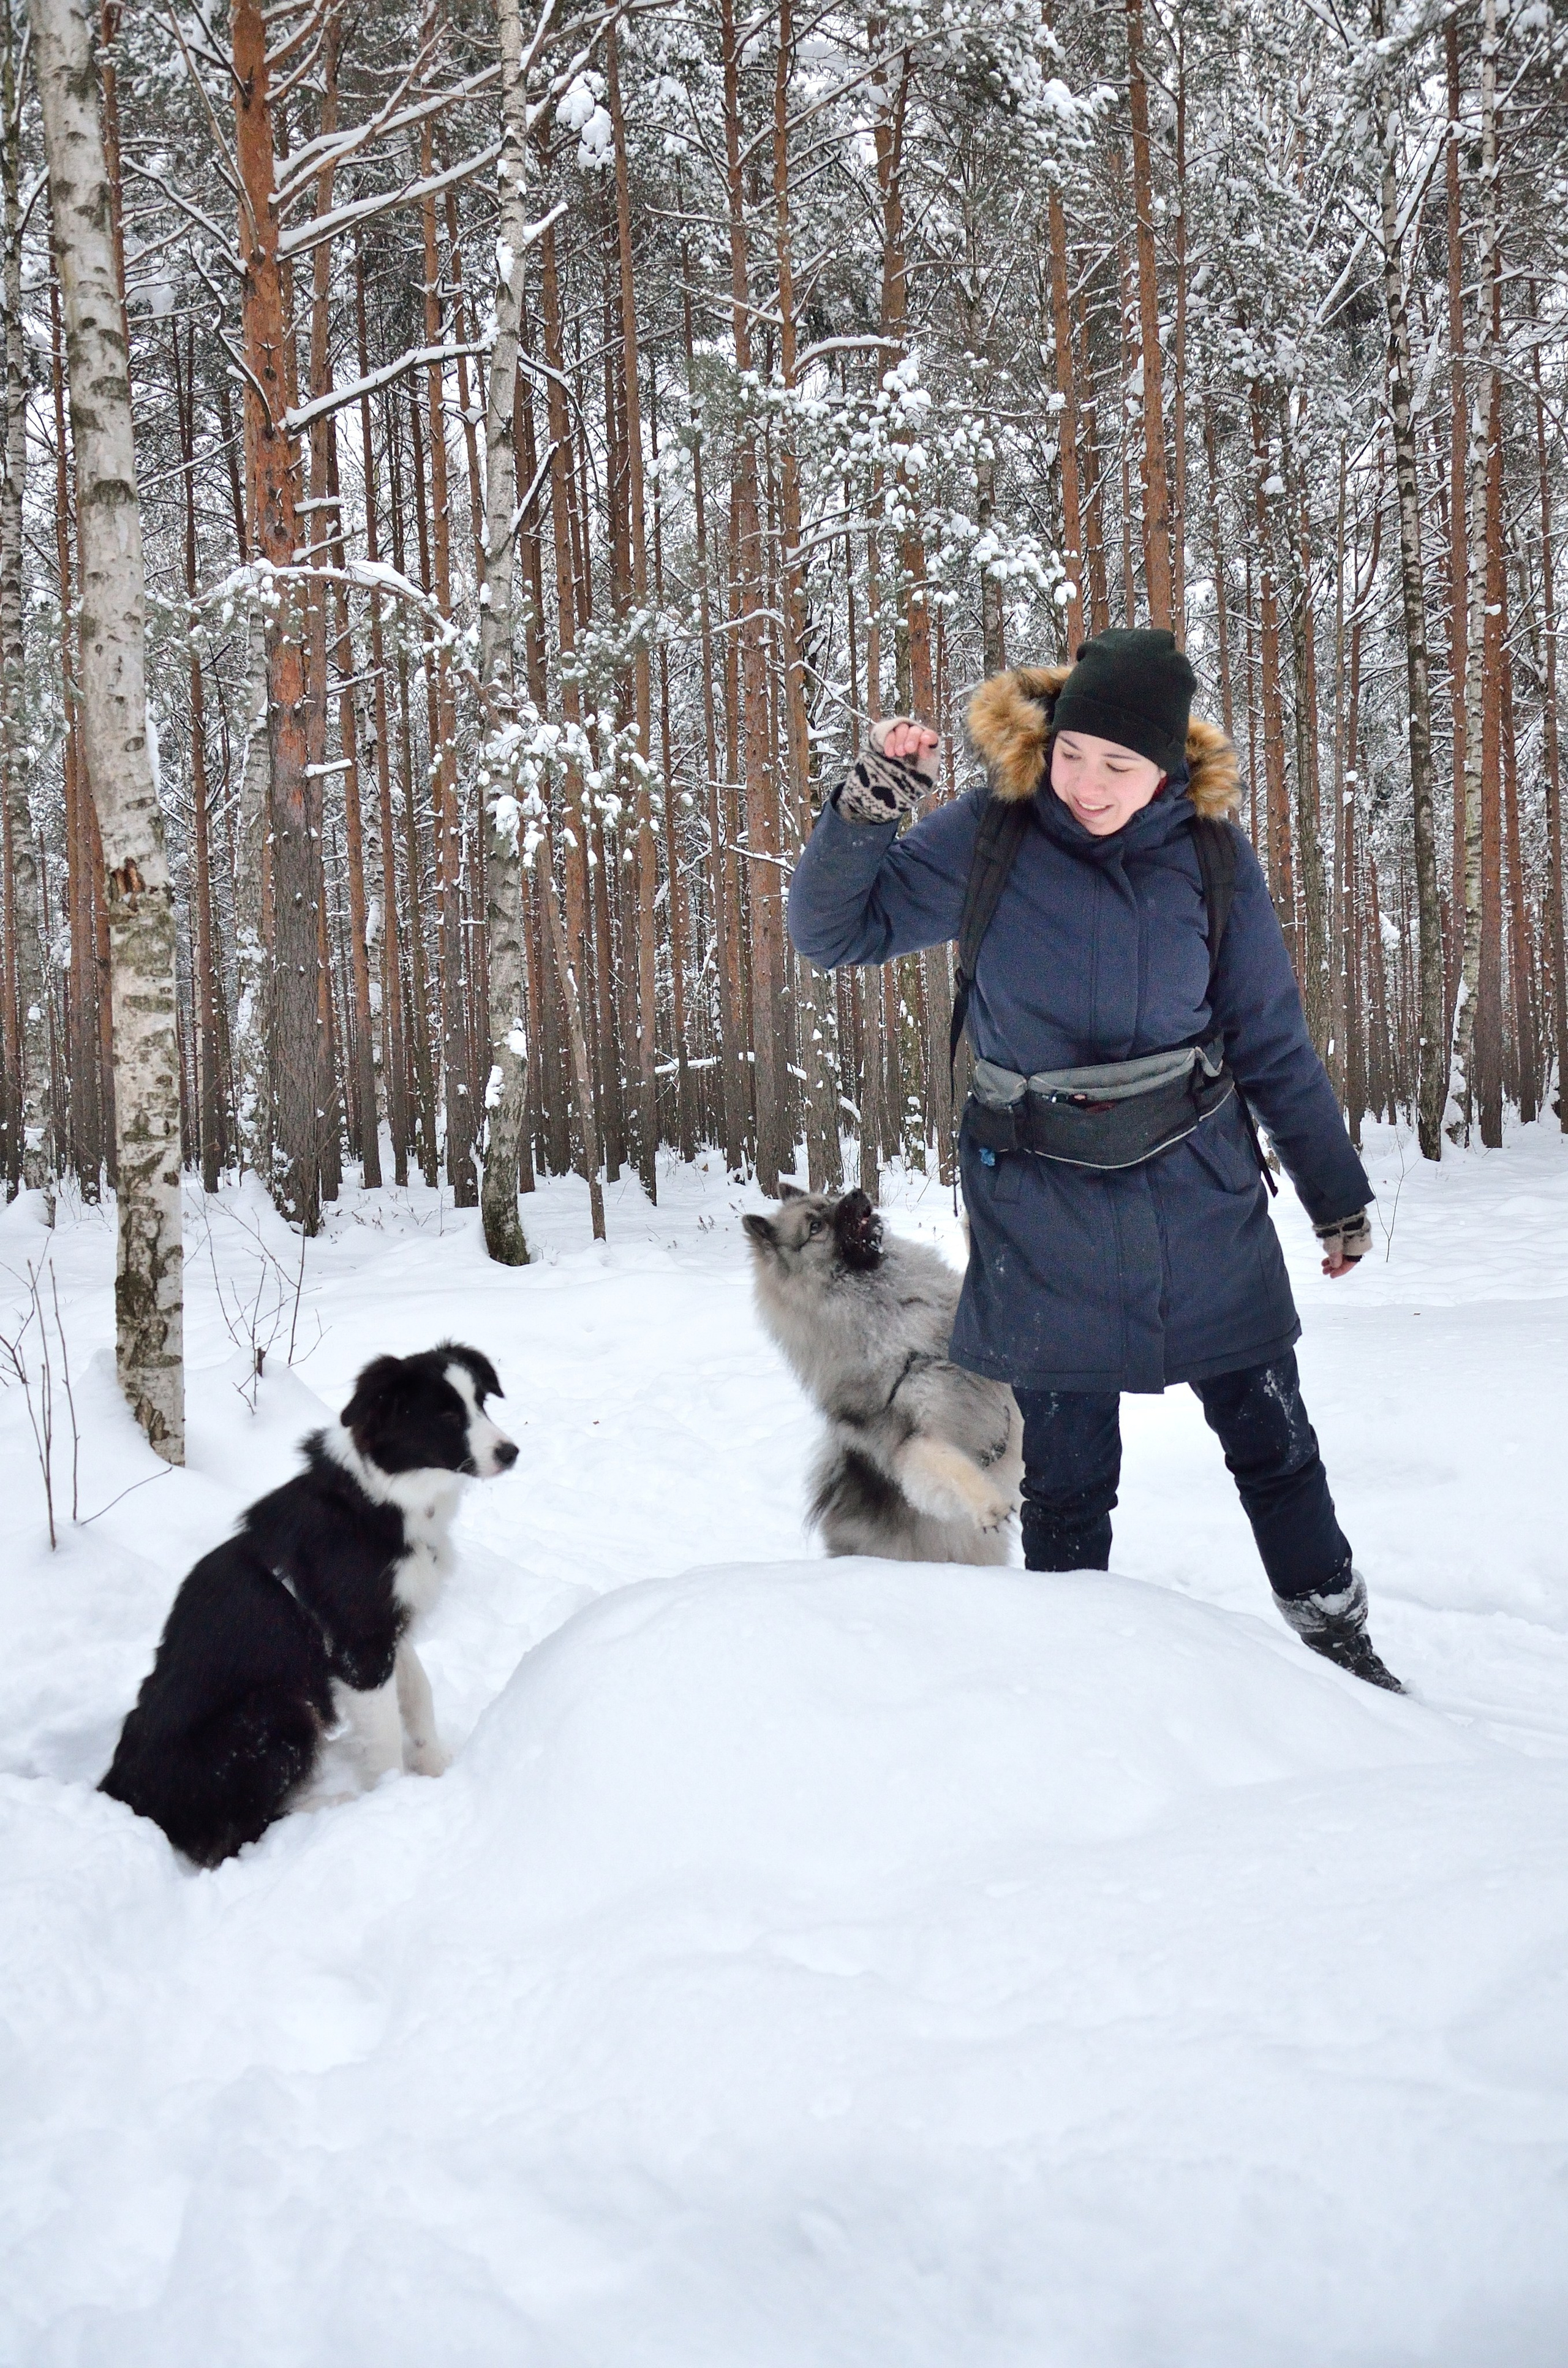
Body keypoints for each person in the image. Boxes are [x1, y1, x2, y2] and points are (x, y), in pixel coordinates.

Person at [787, 627, 1400, 1690]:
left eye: (1121, 765)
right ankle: (1080, 1697)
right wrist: (870, 806)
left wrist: (1334, 1196)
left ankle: (1343, 1652)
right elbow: (835, 931)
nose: (1088, 783)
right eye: (1074, 754)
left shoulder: (1210, 857)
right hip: (1041, 1204)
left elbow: (1268, 1036)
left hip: (1200, 1196)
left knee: (1275, 1443)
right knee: (1069, 1481)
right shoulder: (993, 836)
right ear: (1049, 738)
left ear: (1168, 766)